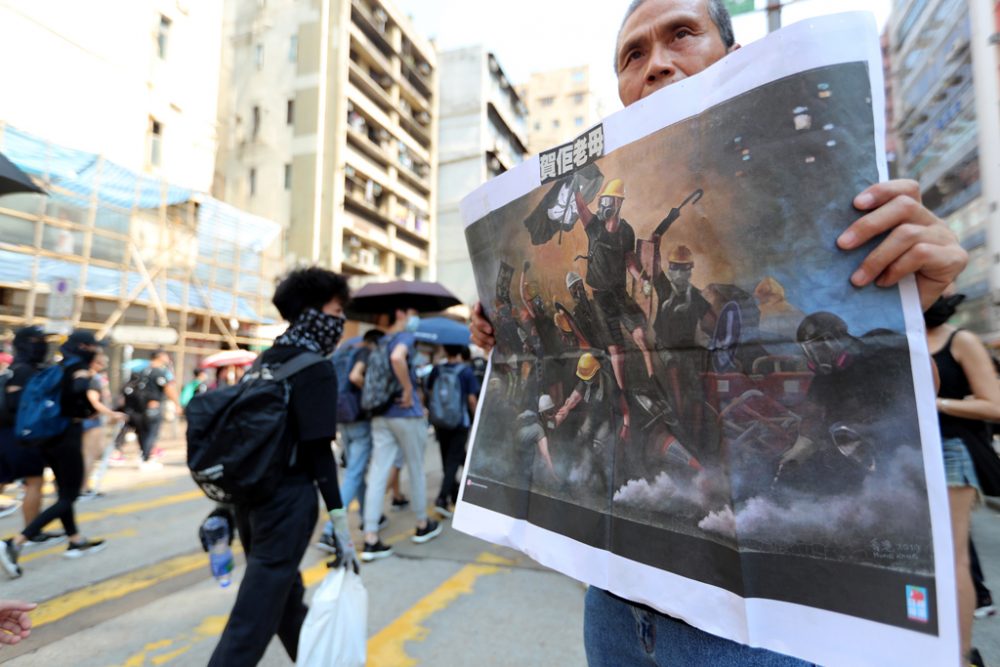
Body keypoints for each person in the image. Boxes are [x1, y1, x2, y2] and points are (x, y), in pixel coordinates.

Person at [469, 1, 968, 664]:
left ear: (733, 56)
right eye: (633, 54)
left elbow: (894, 409)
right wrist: (510, 337)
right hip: (618, 608)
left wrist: (905, 309)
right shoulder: (618, 235)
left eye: (682, 33)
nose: (657, 64)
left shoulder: (833, 195)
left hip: (759, 627)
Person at [209, 267, 356, 666]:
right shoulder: (315, 367)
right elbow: (319, 452)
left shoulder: (264, 361)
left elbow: (246, 442)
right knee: (250, 622)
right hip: (287, 503)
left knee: (285, 601)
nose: (341, 320)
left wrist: (221, 508)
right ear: (313, 312)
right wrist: (340, 522)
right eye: (337, 309)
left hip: (250, 503)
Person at [925, 294, 1000, 663]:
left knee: (953, 557)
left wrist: (935, 402)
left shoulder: (961, 340)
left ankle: (960, 655)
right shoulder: (894, 336)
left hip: (950, 448)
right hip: (902, 454)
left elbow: (995, 404)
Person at [1, 330, 110, 578]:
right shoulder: (78, 368)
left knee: (63, 492)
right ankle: (16, 542)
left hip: (48, 439)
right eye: (95, 347)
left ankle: (75, 538)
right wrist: (87, 409)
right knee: (69, 496)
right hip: (67, 438)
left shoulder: (58, 367)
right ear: (85, 347)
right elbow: (80, 392)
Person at [360, 307, 443, 561]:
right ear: (400, 313)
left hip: (381, 414)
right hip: (407, 414)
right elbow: (398, 358)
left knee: (377, 472)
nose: (415, 317)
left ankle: (371, 537)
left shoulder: (380, 341)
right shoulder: (403, 338)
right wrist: (408, 389)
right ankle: (421, 523)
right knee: (416, 468)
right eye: (413, 312)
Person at [315, 328, 392, 552]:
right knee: (354, 473)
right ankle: (330, 531)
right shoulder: (365, 352)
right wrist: (371, 391)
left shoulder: (342, 352)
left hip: (341, 417)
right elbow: (355, 376)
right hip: (358, 418)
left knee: (356, 472)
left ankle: (370, 516)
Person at [0, 327, 49, 536]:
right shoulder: (26, 371)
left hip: (4, 433)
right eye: (37, 340)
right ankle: (32, 532)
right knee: (34, 481)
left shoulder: (11, 369)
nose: (41, 345)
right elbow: (18, 404)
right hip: (21, 435)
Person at [426, 344, 481, 517]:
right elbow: (472, 400)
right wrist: (478, 419)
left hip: (440, 421)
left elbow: (429, 391)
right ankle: (442, 498)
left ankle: (455, 492)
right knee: (454, 459)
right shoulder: (465, 372)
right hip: (459, 422)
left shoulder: (437, 370)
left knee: (447, 457)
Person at [80, 352, 126, 497]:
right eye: (101, 362)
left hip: (89, 419)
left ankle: (84, 486)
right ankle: (83, 487)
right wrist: (112, 414)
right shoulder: (92, 379)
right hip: (91, 420)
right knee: (89, 455)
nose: (104, 364)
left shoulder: (89, 377)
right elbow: (94, 401)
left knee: (91, 454)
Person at [133, 349, 180, 471]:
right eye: (165, 355)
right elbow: (168, 388)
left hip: (140, 407)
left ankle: (143, 456)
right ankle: (146, 458)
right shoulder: (159, 372)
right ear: (159, 356)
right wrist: (177, 404)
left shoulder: (143, 371)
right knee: (152, 433)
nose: (167, 357)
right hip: (153, 405)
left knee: (143, 432)